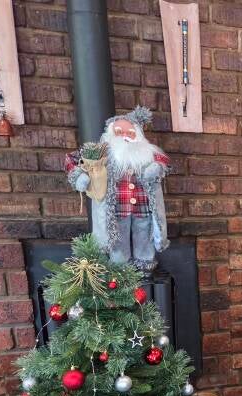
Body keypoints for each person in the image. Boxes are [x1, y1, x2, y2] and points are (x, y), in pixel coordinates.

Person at [65, 106, 169, 272]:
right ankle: (121, 269)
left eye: (131, 132)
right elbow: (72, 159)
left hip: (144, 208)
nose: (125, 136)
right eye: (119, 132)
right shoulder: (101, 152)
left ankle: (145, 263)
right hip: (117, 210)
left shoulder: (147, 153)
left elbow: (163, 160)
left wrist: (157, 167)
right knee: (117, 240)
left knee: (145, 236)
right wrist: (79, 176)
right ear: (110, 134)